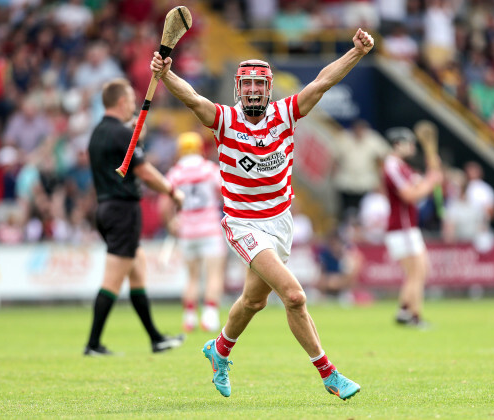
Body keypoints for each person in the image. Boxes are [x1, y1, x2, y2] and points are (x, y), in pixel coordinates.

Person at [150, 28, 375, 400]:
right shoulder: (223, 120)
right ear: (238, 89)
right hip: (243, 224)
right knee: (295, 296)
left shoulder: (286, 114)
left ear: (268, 88)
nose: (253, 90)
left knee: (254, 301)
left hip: (280, 222)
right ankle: (329, 375)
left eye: (259, 85)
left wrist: (356, 53)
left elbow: (321, 82)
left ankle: (219, 350)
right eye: (247, 85)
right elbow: (191, 97)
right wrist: (165, 74)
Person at [84, 78, 185, 356]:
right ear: (120, 102)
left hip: (105, 208)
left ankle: (155, 338)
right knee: (113, 279)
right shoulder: (121, 134)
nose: (133, 104)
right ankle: (93, 344)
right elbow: (144, 171)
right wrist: (172, 191)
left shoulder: (97, 133)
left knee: (137, 271)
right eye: (130, 99)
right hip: (122, 211)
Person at [165, 131, 226, 333]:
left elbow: (164, 203)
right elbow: (225, 192)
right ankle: (210, 317)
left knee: (191, 277)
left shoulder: (175, 173)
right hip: (210, 229)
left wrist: (171, 221)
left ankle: (189, 317)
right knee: (213, 275)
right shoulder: (209, 170)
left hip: (187, 231)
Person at [382, 127, 442, 327]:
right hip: (402, 228)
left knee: (419, 271)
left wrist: (431, 174)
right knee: (417, 272)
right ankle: (414, 316)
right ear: (397, 145)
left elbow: (420, 186)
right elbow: (410, 195)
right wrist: (431, 181)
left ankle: (404, 311)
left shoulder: (402, 167)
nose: (413, 146)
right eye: (409, 143)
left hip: (407, 228)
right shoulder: (392, 166)